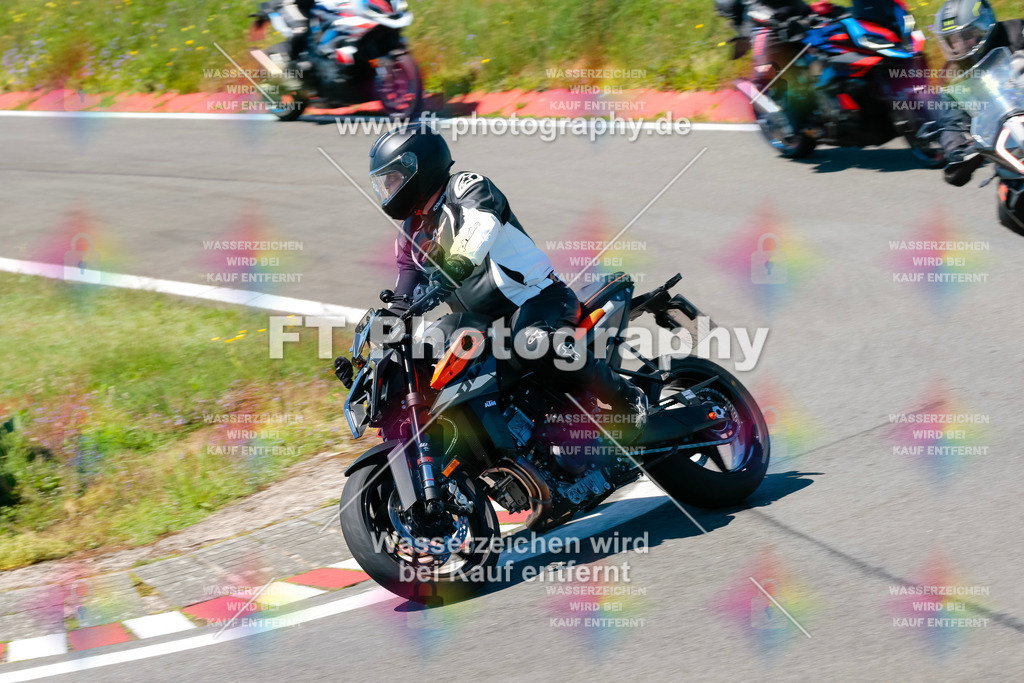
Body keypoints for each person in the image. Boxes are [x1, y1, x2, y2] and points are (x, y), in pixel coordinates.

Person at [366, 126, 648, 442]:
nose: (388, 188)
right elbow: (403, 299)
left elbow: (480, 223)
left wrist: (456, 263)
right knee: (423, 355)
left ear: (417, 167)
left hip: (537, 301)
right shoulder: (411, 235)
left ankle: (626, 397)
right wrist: (378, 345)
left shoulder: (464, 187)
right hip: (483, 325)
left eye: (392, 179)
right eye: (384, 182)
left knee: (533, 340)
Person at [932, 0, 1024, 186]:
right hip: (1011, 152)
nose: (959, 44)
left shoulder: (1017, 32)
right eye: (952, 39)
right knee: (1010, 198)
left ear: (983, 26)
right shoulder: (953, 75)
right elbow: (952, 122)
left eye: (966, 35)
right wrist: (958, 151)